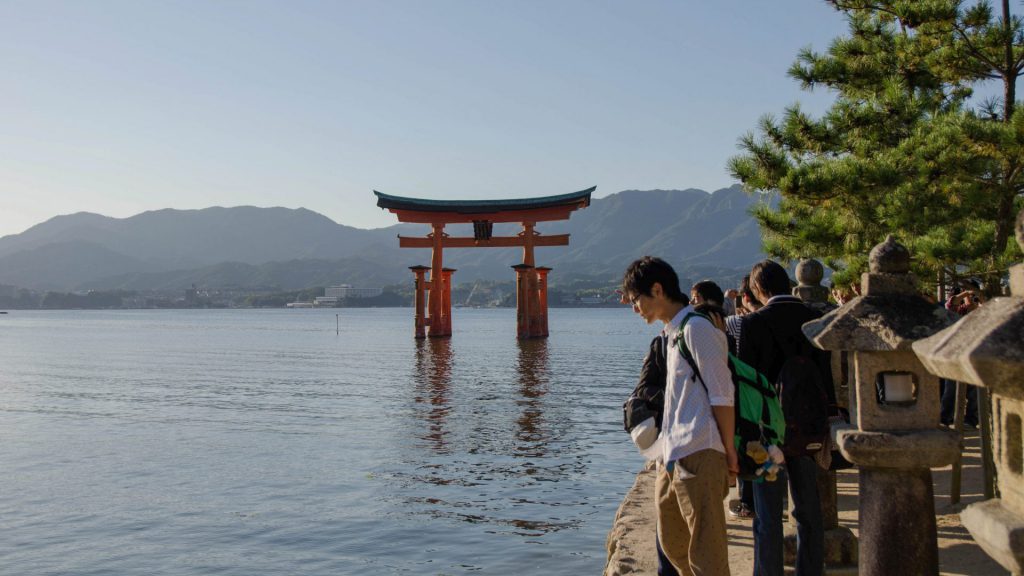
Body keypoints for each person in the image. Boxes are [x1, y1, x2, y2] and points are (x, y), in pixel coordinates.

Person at [621, 256, 737, 575]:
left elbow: (722, 394)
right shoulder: (671, 335)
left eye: (636, 300)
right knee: (674, 546)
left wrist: (728, 452)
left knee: (707, 555)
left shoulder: (698, 329)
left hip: (701, 450)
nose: (635, 309)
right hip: (672, 456)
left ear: (657, 290)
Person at [738, 260, 834, 576]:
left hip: (767, 433)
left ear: (757, 289)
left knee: (768, 514)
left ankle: (769, 572)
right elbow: (825, 377)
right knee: (809, 511)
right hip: (807, 429)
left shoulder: (754, 324)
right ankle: (810, 571)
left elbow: (747, 383)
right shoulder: (814, 319)